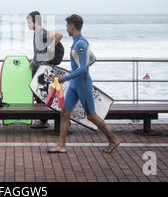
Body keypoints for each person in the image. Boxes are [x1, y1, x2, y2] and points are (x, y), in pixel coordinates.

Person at [48, 14, 120, 154]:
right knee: (64, 113)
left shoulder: (81, 43)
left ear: (72, 26)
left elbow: (84, 68)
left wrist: (66, 77)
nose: (66, 28)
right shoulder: (77, 42)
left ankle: (113, 139)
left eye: (67, 26)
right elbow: (92, 59)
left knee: (91, 115)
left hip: (83, 84)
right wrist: (74, 70)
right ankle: (61, 145)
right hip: (75, 84)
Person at [26, 11, 64, 129]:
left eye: (28, 22)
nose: (27, 24)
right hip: (38, 66)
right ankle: (43, 120)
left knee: (41, 94)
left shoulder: (42, 32)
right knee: (38, 94)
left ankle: (43, 121)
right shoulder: (36, 33)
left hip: (42, 69)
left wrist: (51, 47)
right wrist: (33, 59)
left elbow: (59, 35)